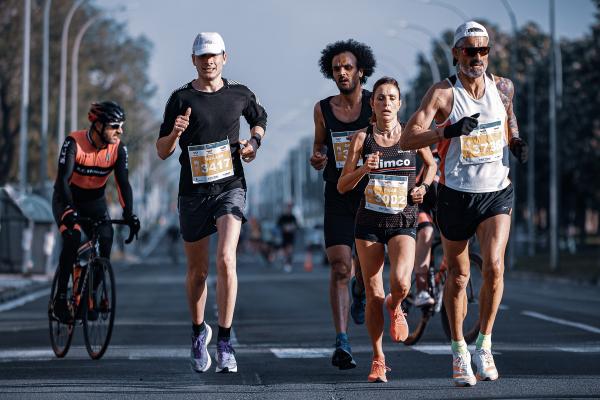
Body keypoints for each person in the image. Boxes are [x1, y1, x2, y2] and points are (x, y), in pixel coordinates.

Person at [400, 21, 528, 387]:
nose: (477, 57)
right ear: (456, 53)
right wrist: (447, 130)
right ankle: (459, 351)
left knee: (495, 266)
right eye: (470, 50)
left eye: (483, 50)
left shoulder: (503, 87)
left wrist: (516, 142)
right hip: (455, 194)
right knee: (458, 276)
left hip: (496, 191)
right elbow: (408, 138)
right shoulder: (443, 93)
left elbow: (509, 119)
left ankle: (484, 345)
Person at [156, 32, 267, 374]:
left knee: (226, 259)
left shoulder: (239, 94)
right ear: (193, 60)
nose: (208, 62)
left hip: (230, 187)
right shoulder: (180, 98)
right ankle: (197, 331)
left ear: (224, 57)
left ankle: (225, 341)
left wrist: (253, 144)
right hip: (193, 193)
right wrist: (175, 132)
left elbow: (259, 119)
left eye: (214, 56)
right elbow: (162, 151)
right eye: (202, 57)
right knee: (198, 272)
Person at [338, 77, 436, 382]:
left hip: (403, 220)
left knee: (401, 283)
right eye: (380, 97)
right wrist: (364, 169)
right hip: (369, 224)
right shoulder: (361, 138)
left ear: (400, 104)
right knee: (374, 294)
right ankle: (378, 358)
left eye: (392, 98)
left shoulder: (411, 135)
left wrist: (423, 187)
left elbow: (432, 165)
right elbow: (342, 185)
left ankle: (397, 304)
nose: (386, 103)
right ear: (372, 103)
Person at [310, 39, 376, 370]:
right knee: (340, 267)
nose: (342, 73)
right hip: (337, 195)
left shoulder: (375, 105)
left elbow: (393, 138)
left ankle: (360, 292)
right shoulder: (322, 109)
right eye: (337, 68)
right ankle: (342, 340)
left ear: (361, 70)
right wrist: (318, 157)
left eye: (348, 67)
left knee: (363, 269)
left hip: (370, 195)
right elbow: (319, 145)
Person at [51, 101, 140, 324]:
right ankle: (60, 299)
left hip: (95, 202)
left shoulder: (118, 149)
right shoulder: (74, 142)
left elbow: (123, 184)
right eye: (114, 126)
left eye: (122, 126)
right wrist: (68, 208)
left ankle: (91, 294)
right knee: (73, 238)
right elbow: (62, 180)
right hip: (67, 198)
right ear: (98, 125)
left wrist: (129, 214)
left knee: (106, 240)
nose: (120, 131)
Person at [277, 203, 299, 273]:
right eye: (288, 208)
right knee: (284, 252)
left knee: (290, 250)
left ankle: (288, 264)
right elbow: (278, 225)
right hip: (283, 237)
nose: (289, 210)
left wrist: (292, 227)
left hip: (291, 237)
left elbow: (297, 226)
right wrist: (284, 227)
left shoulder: (293, 217)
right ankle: (284, 262)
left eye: (290, 208)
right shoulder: (282, 217)